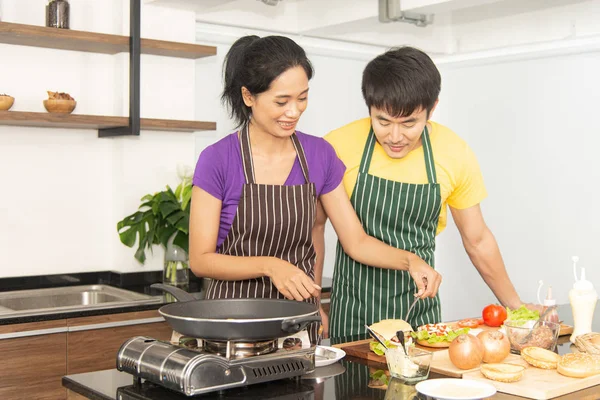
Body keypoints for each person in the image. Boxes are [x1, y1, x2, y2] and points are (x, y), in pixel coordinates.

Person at [189, 36, 439, 344]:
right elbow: (200, 260)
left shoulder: (319, 155)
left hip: (295, 327)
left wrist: (411, 260)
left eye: (302, 98)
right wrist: (270, 266)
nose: (293, 112)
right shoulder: (218, 160)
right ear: (248, 96)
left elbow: (356, 241)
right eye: (282, 102)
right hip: (231, 325)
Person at [319, 46, 528, 339]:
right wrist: (312, 302)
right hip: (353, 314)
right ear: (369, 108)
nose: (394, 137)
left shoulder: (454, 153)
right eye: (382, 121)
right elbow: (314, 229)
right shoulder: (336, 146)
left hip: (420, 315)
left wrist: (516, 308)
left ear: (432, 108)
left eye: (409, 123)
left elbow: (478, 240)